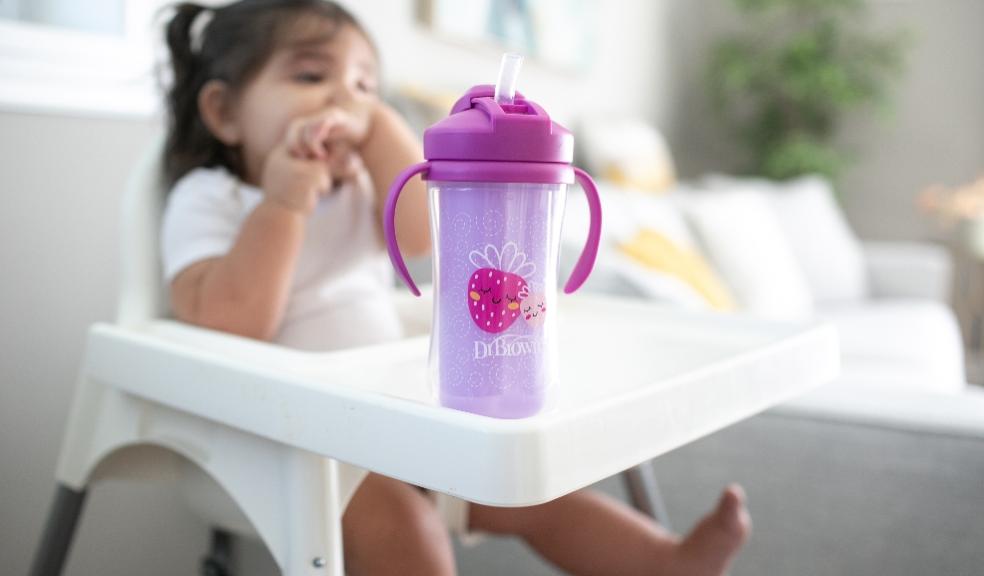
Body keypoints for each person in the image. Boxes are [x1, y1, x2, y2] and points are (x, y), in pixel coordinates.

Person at [160, 2, 751, 574]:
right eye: (312, 75)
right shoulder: (212, 198)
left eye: (366, 85)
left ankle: (665, 562)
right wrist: (285, 203)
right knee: (406, 533)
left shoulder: (360, 191)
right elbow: (229, 320)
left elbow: (425, 234)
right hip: (293, 439)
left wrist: (380, 127)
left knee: (530, 495)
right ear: (224, 113)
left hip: (391, 419)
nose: (345, 98)